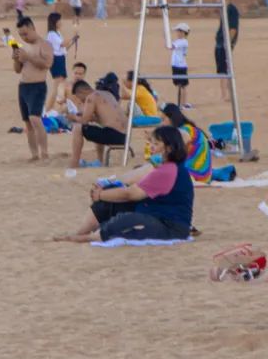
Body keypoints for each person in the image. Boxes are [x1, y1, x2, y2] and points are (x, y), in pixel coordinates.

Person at [55, 126, 193, 243]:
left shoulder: (169, 170)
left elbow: (131, 194)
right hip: (155, 213)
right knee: (110, 203)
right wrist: (105, 194)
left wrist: (101, 194)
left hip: (171, 225)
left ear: (168, 148)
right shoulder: (166, 166)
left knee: (127, 220)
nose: (152, 146)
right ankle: (80, 233)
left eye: (156, 144)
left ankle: (89, 237)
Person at [12, 16, 52, 162]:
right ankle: (34, 154)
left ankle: (45, 153)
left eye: (26, 33)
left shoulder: (45, 45)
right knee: (27, 123)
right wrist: (16, 59)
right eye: (21, 35)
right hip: (23, 86)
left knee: (35, 118)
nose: (24, 37)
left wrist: (28, 57)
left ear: (33, 28)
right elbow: (17, 70)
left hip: (38, 86)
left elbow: (47, 63)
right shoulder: (24, 46)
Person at [68, 78, 128, 168]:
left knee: (78, 127)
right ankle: (99, 161)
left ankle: (74, 163)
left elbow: (84, 121)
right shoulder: (108, 94)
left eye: (79, 97)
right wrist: (93, 118)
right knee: (98, 127)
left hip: (113, 135)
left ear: (82, 92)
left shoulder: (91, 97)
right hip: (125, 136)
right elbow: (107, 119)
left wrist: (72, 117)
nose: (81, 101)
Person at [161, 103, 211, 184]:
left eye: (163, 119)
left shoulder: (184, 131)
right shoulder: (186, 128)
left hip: (198, 174)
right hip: (203, 172)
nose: (162, 123)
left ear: (171, 118)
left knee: (158, 162)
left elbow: (177, 154)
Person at [45, 12, 78, 113]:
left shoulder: (57, 33)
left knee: (62, 86)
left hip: (61, 59)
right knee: (57, 86)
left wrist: (73, 41)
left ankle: (61, 108)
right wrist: (73, 36)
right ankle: (47, 110)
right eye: (59, 20)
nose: (61, 22)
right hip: (56, 61)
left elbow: (64, 48)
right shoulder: (51, 34)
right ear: (55, 22)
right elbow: (63, 44)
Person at [215, 0, 240, 102]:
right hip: (220, 42)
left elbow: (233, 28)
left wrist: (228, 43)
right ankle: (225, 94)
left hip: (224, 44)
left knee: (226, 70)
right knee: (222, 70)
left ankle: (227, 95)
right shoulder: (224, 9)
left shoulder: (232, 10)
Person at [170, 23, 190, 107]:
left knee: (182, 86)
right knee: (178, 85)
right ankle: (181, 103)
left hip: (180, 66)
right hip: (176, 65)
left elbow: (171, 47)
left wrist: (166, 37)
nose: (177, 33)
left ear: (183, 32)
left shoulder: (183, 42)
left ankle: (183, 103)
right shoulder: (178, 41)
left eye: (178, 31)